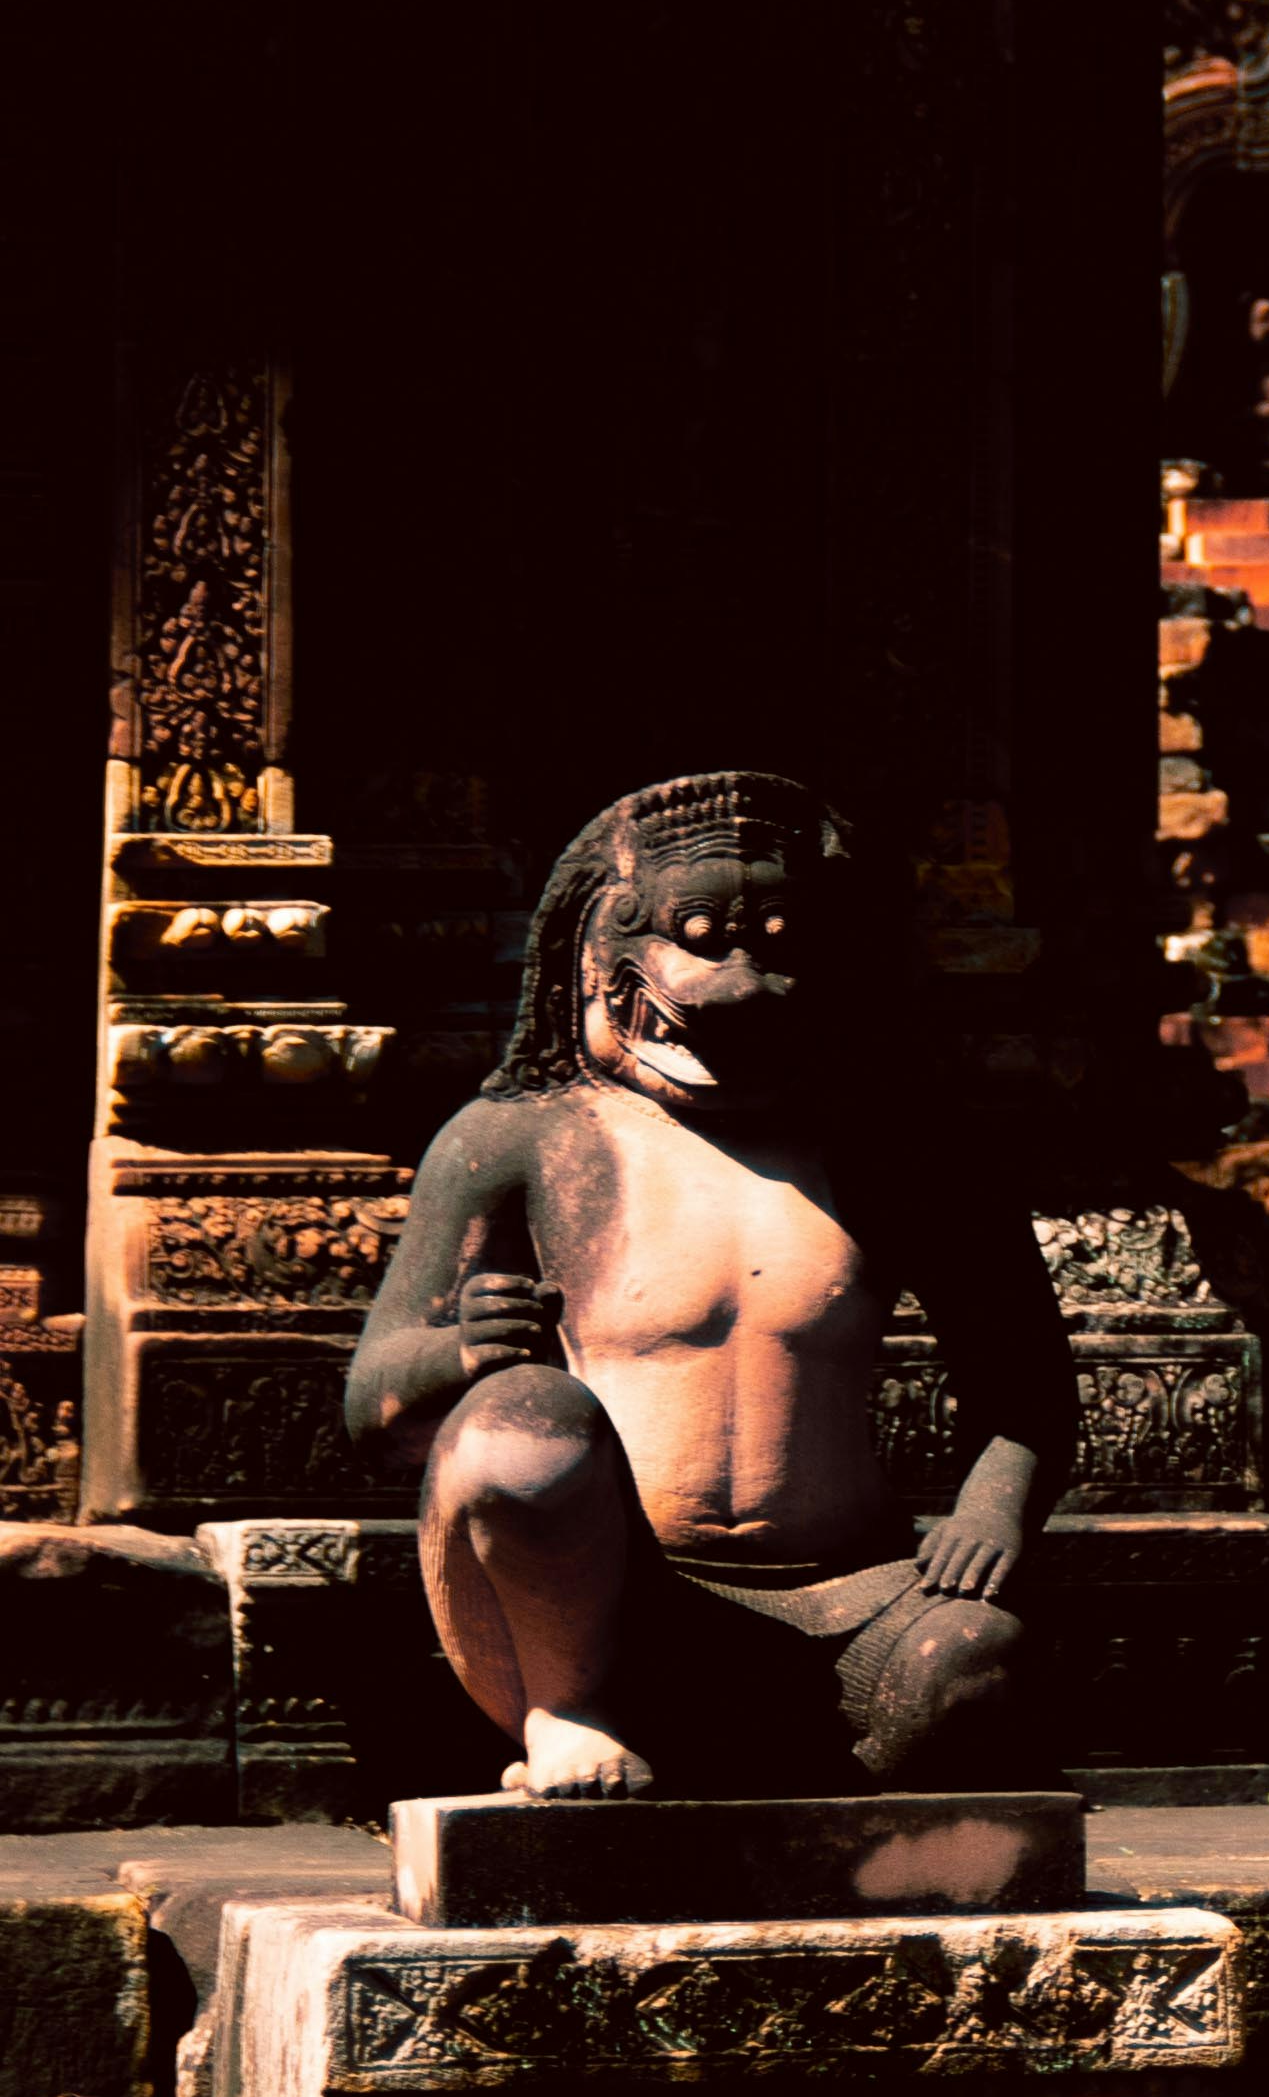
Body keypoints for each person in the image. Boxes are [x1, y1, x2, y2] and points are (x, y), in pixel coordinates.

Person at [344, 770, 1074, 1804]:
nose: (740, 979)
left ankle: (782, 1783)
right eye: (699, 934)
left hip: (851, 1593)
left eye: (775, 944)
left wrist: (991, 1514)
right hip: (607, 1601)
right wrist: (459, 1352)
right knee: (525, 1426)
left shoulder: (905, 1155)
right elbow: (372, 1402)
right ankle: (568, 1716)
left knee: (976, 1663)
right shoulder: (516, 1140)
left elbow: (1026, 1381)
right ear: (594, 954)